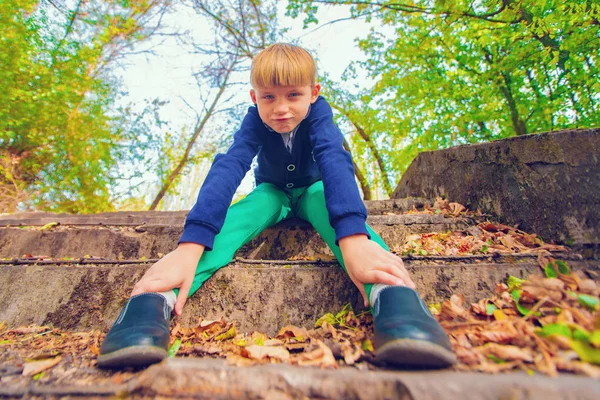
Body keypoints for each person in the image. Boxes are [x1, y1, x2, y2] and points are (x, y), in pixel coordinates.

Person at [98, 43, 456, 369]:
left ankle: (391, 292)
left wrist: (353, 240)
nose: (281, 108)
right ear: (254, 97)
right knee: (246, 212)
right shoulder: (255, 119)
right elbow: (231, 164)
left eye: (293, 95)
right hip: (273, 192)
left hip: (313, 188)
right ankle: (157, 296)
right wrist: (190, 244)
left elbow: (333, 158)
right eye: (268, 97)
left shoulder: (319, 114)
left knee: (328, 206)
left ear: (313, 94)